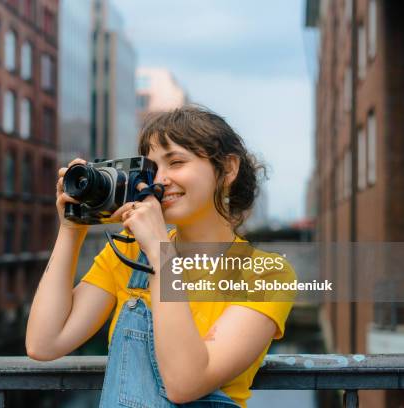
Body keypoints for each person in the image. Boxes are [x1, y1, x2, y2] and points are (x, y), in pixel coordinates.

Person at [26, 105, 296, 407]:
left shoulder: (266, 274)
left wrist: (158, 250)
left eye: (177, 162)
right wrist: (72, 228)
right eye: (153, 168)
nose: (160, 180)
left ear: (229, 169)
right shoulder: (130, 249)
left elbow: (184, 384)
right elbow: (44, 343)